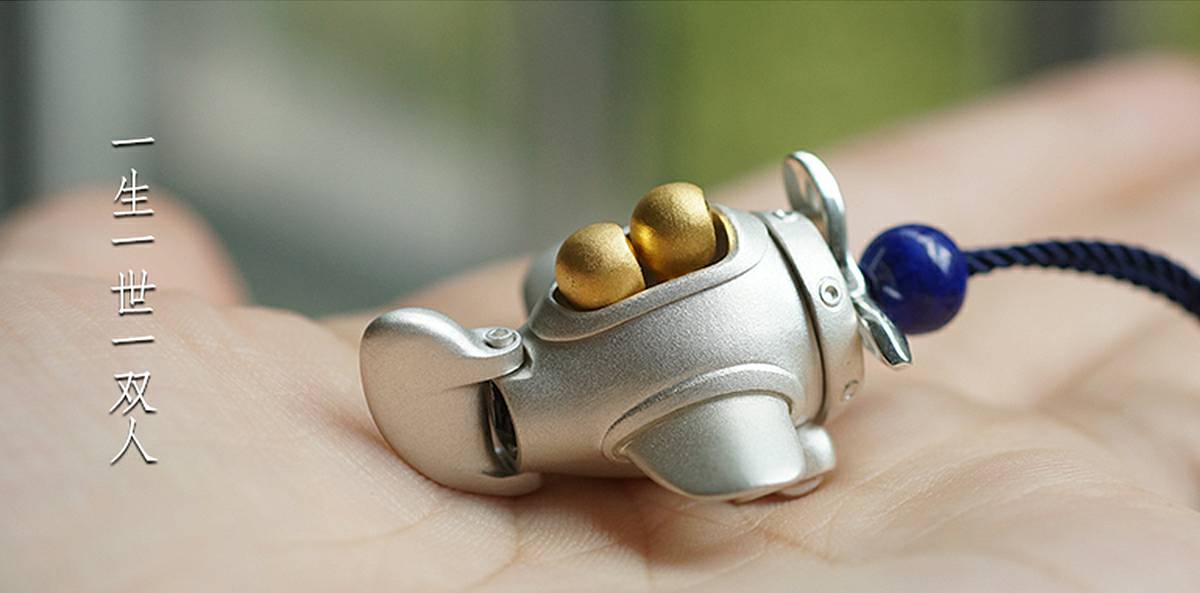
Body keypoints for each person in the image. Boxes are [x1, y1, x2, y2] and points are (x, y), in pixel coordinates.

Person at [1, 55, 1198, 592]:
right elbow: (751, 456)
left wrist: (785, 438)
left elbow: (727, 426)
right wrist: (801, 447)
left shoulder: (725, 278)